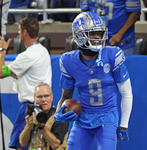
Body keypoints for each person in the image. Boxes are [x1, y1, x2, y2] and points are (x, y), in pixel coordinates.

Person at [54, 11, 133, 150]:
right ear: (79, 35)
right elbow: (65, 97)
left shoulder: (112, 55)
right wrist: (58, 113)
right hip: (83, 119)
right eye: (92, 34)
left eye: (99, 33)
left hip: (107, 117)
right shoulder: (68, 61)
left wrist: (123, 125)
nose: (97, 37)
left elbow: (126, 93)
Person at [0, 17, 52, 150]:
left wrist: (2, 50)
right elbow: (18, 73)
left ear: (25, 32)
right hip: (44, 107)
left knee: (20, 146)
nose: (18, 33)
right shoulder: (43, 51)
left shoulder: (27, 55)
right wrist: (11, 72)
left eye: (19, 30)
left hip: (30, 108)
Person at [19, 82, 69, 150]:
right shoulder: (33, 115)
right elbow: (23, 143)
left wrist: (41, 127)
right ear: (34, 98)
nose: (43, 100)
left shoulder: (59, 116)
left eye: (46, 96)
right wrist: (28, 125)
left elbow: (55, 144)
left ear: (51, 97)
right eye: (39, 97)